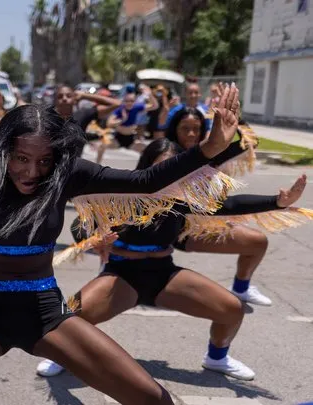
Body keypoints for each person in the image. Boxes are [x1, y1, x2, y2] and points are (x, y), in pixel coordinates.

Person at [0, 85, 243, 405]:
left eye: (44, 160)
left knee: (155, 400)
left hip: (46, 315)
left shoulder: (67, 174)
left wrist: (208, 149)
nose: (32, 171)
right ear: (4, 150)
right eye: (22, 158)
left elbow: (146, 181)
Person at [35, 138, 308, 381]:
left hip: (164, 275)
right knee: (68, 318)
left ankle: (217, 357)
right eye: (161, 167)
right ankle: (62, 356)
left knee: (232, 309)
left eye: (174, 167)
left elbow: (231, 206)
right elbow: (80, 225)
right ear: (147, 167)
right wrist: (95, 236)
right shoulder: (121, 194)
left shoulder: (183, 199)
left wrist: (278, 201)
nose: (168, 175)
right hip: (122, 276)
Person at [166, 105, 272, 305]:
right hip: (164, 231)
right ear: (174, 129)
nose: (191, 134)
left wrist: (235, 115)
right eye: (184, 128)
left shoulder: (208, 154)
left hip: (195, 228)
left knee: (257, 242)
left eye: (196, 129)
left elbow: (250, 142)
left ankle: (241, 288)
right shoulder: (164, 152)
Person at [53, 84, 121, 163]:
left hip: (74, 167)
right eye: (60, 96)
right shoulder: (48, 117)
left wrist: (84, 96)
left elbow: (116, 103)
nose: (64, 98)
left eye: (68, 96)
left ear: (74, 99)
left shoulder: (82, 114)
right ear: (55, 100)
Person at [107, 85, 159, 151]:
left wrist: (150, 94)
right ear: (123, 101)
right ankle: (98, 161)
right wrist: (121, 120)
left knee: (147, 150)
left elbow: (155, 106)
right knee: (102, 146)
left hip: (131, 137)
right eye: (127, 101)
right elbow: (109, 123)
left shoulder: (136, 107)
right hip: (118, 137)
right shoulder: (120, 109)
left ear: (135, 101)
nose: (129, 103)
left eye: (131, 101)